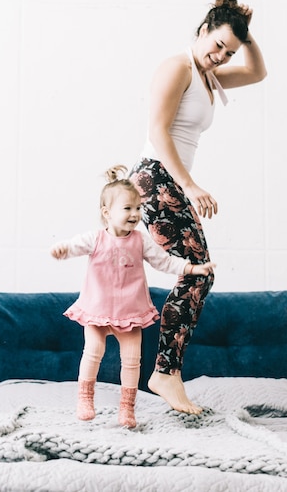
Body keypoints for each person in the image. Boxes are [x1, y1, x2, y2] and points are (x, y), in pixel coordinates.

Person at [129, 0, 267, 415]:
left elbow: (258, 72)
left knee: (199, 273)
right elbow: (157, 131)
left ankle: (166, 372)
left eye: (229, 52)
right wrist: (190, 186)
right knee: (199, 272)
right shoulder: (178, 67)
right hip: (155, 178)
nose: (222, 57)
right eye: (218, 45)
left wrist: (247, 33)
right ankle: (165, 373)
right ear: (204, 29)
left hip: (170, 179)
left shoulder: (208, 75)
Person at [50, 165, 215, 428]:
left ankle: (127, 408)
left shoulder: (141, 240)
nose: (135, 214)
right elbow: (74, 246)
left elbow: (165, 262)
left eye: (138, 208)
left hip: (130, 310)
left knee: (131, 360)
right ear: (107, 213)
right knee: (93, 351)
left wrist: (193, 268)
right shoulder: (95, 239)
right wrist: (63, 250)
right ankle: (85, 399)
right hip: (97, 308)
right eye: (127, 209)